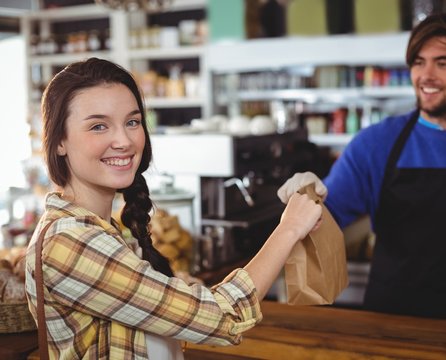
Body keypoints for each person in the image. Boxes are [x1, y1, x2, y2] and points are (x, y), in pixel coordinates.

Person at [25, 57, 322, 359]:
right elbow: (223, 317)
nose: (124, 141)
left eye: (132, 122)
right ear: (59, 140)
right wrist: (290, 228)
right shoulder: (70, 243)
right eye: (99, 126)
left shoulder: (97, 231)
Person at [278, 12, 446, 326]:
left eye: (443, 63)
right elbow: (326, 216)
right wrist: (305, 197)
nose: (425, 75)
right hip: (387, 330)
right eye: (418, 62)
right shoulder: (374, 143)